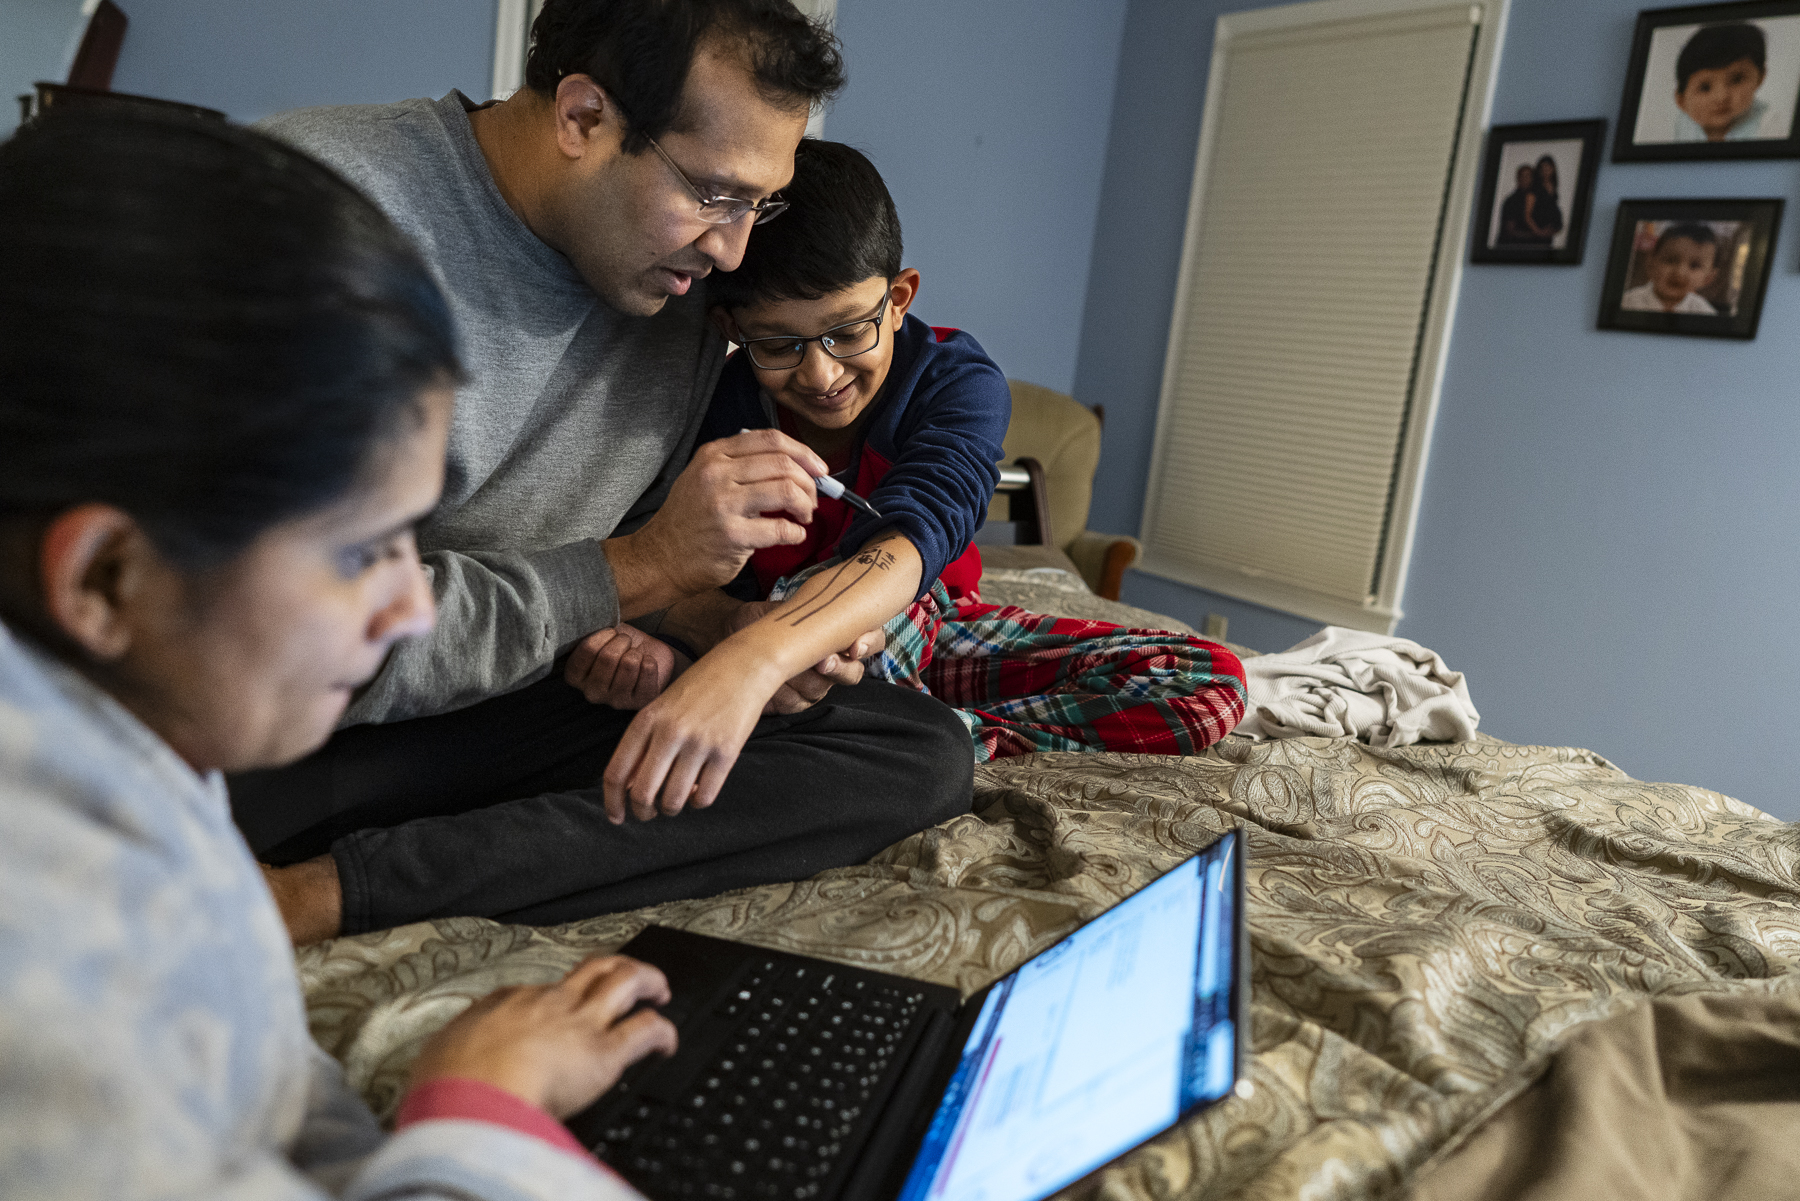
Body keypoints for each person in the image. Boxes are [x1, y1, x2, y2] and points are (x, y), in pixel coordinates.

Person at [0, 111, 678, 1201]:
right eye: (364, 549)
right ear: (105, 581)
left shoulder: (121, 726)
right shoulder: (47, 971)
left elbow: (248, 1076)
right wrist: (476, 1114)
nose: (414, 607)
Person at [235, 0, 974, 944]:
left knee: (913, 750)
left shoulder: (685, 297)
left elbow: (629, 582)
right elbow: (292, 639)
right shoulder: (319, 212)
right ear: (583, 118)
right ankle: (333, 888)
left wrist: (728, 633)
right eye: (715, 195)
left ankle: (333, 887)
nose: (734, 251)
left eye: (762, 203)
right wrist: (641, 572)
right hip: (301, 719)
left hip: (508, 697)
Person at [566, 140, 1245, 802]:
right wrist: (721, 630)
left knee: (1209, 679)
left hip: (925, 619)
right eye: (778, 343)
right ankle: (879, 734)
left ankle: (933, 738)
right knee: (711, 641)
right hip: (771, 633)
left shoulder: (956, 381)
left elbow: (916, 536)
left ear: (898, 299)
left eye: (848, 331)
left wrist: (775, 644)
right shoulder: (723, 398)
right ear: (733, 330)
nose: (820, 373)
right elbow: (669, 564)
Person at [1672, 21, 1770, 142]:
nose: (1721, 97)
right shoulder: (1683, 126)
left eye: (1736, 79)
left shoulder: (1768, 125)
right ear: (1681, 101)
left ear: (1760, 76)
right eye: (1705, 88)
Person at [1619, 222, 1721, 314]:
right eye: (1671, 260)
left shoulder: (1704, 312)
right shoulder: (1627, 303)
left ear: (1708, 278)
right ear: (1651, 263)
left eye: (1694, 266)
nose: (1679, 272)